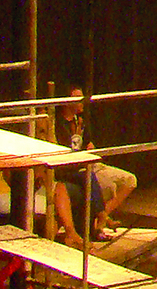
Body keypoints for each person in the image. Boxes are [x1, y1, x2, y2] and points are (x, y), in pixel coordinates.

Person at [50, 85, 137, 243]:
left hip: (88, 162)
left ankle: (101, 216)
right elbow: (64, 153)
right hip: (72, 167)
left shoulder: (81, 121)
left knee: (129, 180)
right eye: (78, 98)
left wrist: (91, 150)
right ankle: (102, 217)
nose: (83, 102)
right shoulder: (57, 124)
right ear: (67, 102)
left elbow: (88, 144)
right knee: (95, 179)